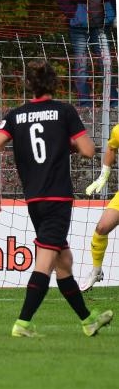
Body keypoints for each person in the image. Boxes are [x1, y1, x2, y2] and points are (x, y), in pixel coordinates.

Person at [0, 59, 113, 337]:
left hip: (34, 200)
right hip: (57, 199)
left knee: (63, 262)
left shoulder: (15, 116)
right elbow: (89, 151)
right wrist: (66, 145)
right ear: (55, 84)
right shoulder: (64, 111)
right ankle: (23, 323)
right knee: (44, 262)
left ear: (28, 85)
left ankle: (88, 320)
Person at [56, 0, 118, 107]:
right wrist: (73, 13)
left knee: (106, 62)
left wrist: (113, 13)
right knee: (81, 64)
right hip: (78, 27)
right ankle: (85, 103)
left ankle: (114, 100)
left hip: (101, 25)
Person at [81, 122, 119, 291]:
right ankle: (96, 270)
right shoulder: (118, 130)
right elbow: (111, 148)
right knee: (102, 227)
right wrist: (103, 176)